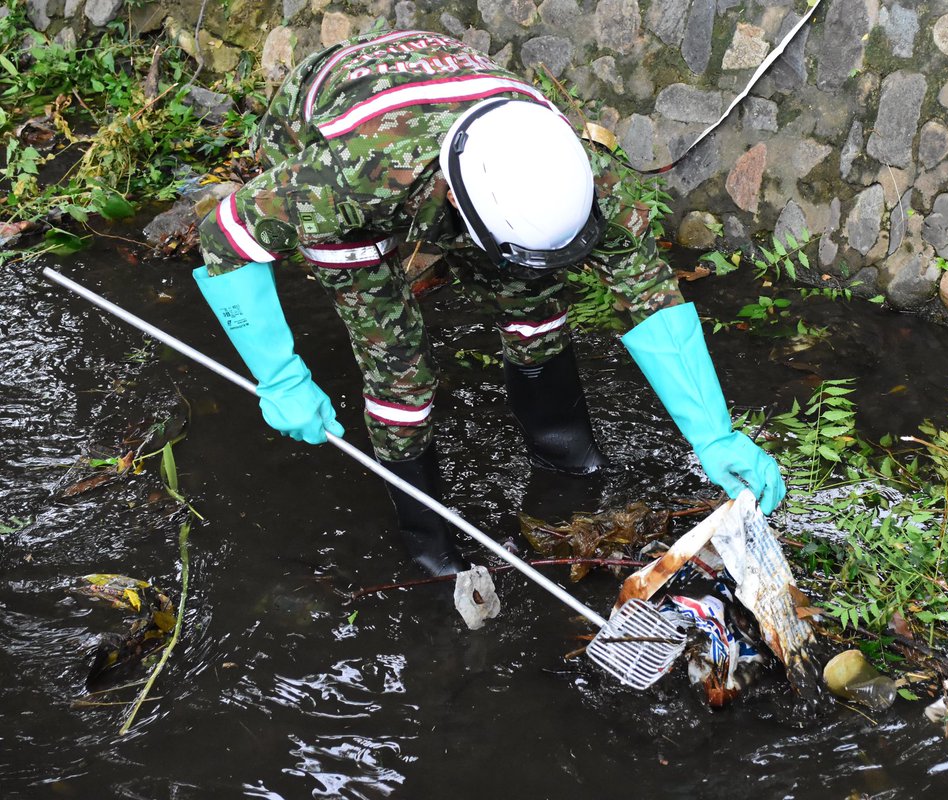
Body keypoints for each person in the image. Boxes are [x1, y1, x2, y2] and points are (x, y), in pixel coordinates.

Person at [193, 29, 784, 576]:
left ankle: (564, 457)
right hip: (332, 121)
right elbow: (225, 234)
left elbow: (646, 288)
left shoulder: (568, 168)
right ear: (454, 200)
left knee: (536, 302)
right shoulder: (343, 180)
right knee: (399, 369)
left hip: (454, 104)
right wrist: (280, 376)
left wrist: (713, 433)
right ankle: (429, 546)